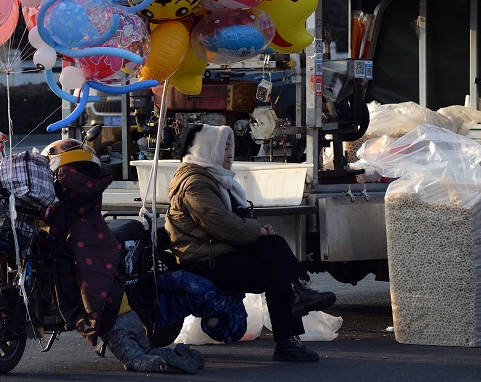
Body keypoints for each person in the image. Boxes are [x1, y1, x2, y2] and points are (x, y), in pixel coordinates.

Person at [164, 123, 337, 362]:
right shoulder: (194, 183)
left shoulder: (212, 177)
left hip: (219, 249)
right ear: (207, 150)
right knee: (276, 273)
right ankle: (292, 321)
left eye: (229, 147)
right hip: (203, 259)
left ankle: (298, 295)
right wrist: (258, 230)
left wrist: (260, 230)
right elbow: (224, 224)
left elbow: (232, 222)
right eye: (222, 148)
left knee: (274, 246)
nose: (229, 154)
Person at [41, 137, 205, 373]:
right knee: (142, 347)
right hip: (113, 282)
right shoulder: (85, 203)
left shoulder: (63, 212)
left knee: (137, 355)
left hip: (114, 316)